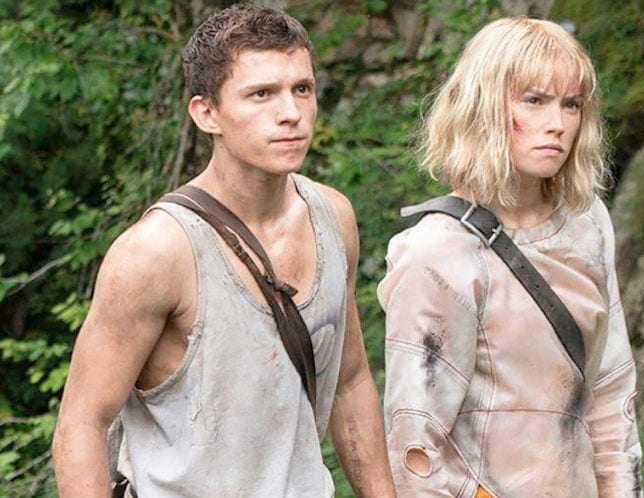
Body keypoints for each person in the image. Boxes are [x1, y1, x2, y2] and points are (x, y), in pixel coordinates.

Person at [52, 4, 395, 497]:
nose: (291, 113)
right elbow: (82, 424)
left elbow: (350, 383)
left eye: (302, 89)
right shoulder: (157, 252)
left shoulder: (332, 218)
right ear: (206, 113)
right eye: (261, 94)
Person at [378, 17, 643, 498]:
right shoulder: (437, 251)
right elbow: (414, 447)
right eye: (534, 100)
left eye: (571, 104)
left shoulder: (586, 223)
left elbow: (612, 393)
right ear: (482, 106)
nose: (557, 124)